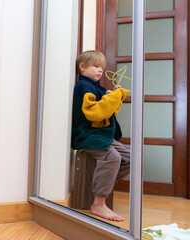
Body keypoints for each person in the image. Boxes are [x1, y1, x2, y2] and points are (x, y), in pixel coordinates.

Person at [71, 50, 130, 221]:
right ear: (82, 67)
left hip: (102, 135)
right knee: (113, 157)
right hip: (89, 135)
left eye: (102, 68)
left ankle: (104, 183)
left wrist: (114, 96)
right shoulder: (84, 86)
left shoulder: (98, 87)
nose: (100, 71)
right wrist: (113, 97)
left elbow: (108, 112)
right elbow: (94, 113)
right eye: (96, 66)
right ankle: (98, 203)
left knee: (130, 157)